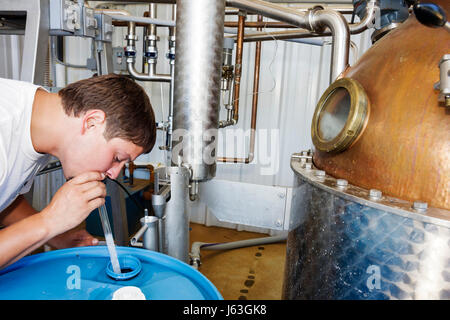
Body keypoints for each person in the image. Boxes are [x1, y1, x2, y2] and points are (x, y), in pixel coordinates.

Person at [0, 74, 156, 269]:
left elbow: (5, 197)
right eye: (117, 158)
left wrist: (57, 237)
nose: (114, 174)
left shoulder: (40, 124)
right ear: (92, 122)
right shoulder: (4, 129)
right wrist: (50, 221)